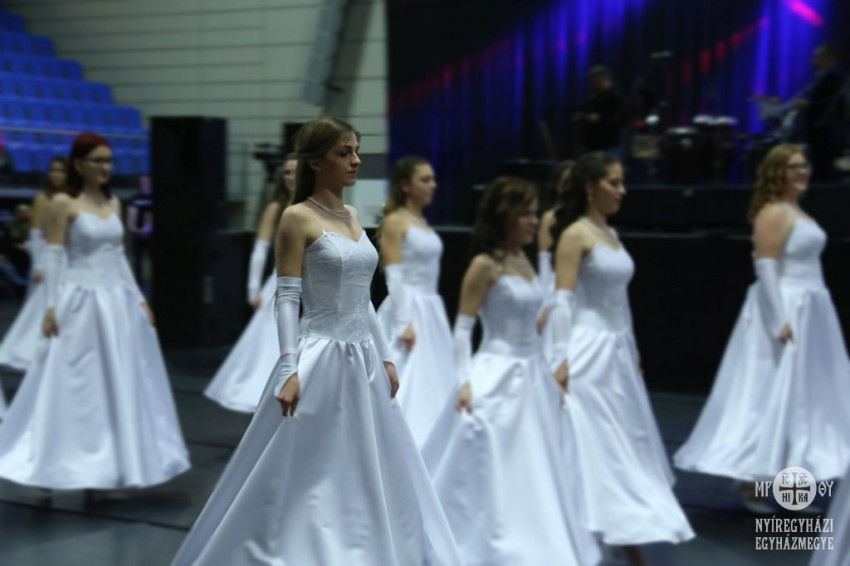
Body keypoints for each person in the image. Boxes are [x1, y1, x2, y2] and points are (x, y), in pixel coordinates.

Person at [170, 116, 461, 566]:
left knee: (363, 457)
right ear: (316, 161)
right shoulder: (296, 217)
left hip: (362, 357)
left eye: (356, 150)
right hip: (319, 354)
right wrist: (288, 367)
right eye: (344, 152)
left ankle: (363, 544)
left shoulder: (353, 216)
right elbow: (287, 298)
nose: (356, 160)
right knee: (308, 460)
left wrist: (385, 356)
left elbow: (363, 299)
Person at [421, 176, 601, 566]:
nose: (535, 221)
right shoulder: (484, 265)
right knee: (494, 456)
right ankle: (486, 540)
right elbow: (463, 329)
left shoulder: (525, 261)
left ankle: (533, 534)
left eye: (535, 213)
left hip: (532, 372)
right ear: (506, 217)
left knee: (534, 462)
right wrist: (463, 381)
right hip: (496, 371)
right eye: (526, 214)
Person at [0, 133, 190, 491]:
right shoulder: (63, 202)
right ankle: (55, 460)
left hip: (115, 302)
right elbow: (53, 254)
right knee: (74, 382)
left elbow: (118, 256)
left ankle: (113, 463)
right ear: (79, 164)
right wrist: (50, 306)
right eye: (98, 161)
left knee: (117, 381)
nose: (105, 167)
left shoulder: (113, 202)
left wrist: (139, 298)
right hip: (79, 301)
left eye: (108, 161)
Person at [674, 145, 850, 508]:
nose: (802, 172)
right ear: (777, 173)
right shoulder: (774, 212)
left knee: (802, 402)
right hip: (787, 309)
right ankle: (752, 483)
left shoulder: (796, 211)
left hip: (811, 308)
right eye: (793, 167)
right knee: (770, 396)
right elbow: (766, 266)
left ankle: (791, 486)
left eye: (804, 165)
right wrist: (778, 320)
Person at [549, 152, 694, 565]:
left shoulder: (609, 233)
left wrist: (632, 346)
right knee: (597, 440)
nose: (622, 190)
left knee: (622, 438)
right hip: (588, 351)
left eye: (622, 182)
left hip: (617, 351)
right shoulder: (575, 234)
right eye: (614, 182)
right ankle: (593, 531)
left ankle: (619, 528)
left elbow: (620, 300)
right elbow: (562, 300)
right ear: (590, 187)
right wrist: (560, 358)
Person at [204, 154, 297, 412]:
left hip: (309, 286)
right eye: (287, 172)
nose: (290, 177)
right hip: (281, 283)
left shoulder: (312, 206)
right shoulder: (276, 208)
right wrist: (253, 288)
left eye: (295, 172)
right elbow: (260, 249)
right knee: (271, 342)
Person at [375, 156, 456, 448]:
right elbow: (394, 275)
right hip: (407, 308)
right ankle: (399, 441)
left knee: (435, 377)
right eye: (425, 179)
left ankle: (435, 440)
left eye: (432, 179)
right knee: (408, 374)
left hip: (431, 310)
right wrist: (403, 323)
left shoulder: (420, 222)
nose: (432, 185)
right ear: (405, 185)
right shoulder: (395, 221)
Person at [0, 157, 67, 371]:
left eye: (61, 170)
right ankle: (36, 347)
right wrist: (38, 265)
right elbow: (35, 233)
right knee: (43, 302)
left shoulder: (72, 198)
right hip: (46, 256)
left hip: (68, 257)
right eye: (53, 170)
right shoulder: (42, 199)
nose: (56, 174)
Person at [537, 160, 575, 365]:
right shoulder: (550, 218)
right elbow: (545, 264)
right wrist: (544, 304)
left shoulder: (587, 219)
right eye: (565, 183)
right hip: (557, 290)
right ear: (557, 187)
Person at [576, 66, 628, 158]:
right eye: (592, 83)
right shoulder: (593, 98)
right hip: (592, 146)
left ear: (605, 80)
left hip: (610, 146)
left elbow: (619, 119)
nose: (593, 86)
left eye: (596, 83)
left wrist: (600, 118)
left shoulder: (617, 98)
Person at [126, 174, 154, 291]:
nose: (145, 184)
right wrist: (135, 229)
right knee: (138, 261)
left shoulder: (154, 198)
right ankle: (139, 284)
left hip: (152, 237)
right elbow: (131, 217)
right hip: (138, 236)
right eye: (142, 182)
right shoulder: (135, 199)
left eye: (147, 181)